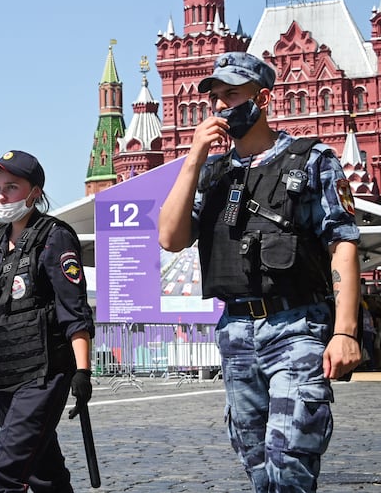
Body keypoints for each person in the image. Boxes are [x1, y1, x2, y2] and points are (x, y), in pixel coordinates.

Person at [157, 51, 361, 492]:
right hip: (236, 331)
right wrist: (193, 157)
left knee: (289, 456)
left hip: (296, 324)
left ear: (262, 97)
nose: (220, 105)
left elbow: (342, 243)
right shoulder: (211, 174)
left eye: (232, 94)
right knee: (257, 463)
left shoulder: (311, 161)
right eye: (214, 97)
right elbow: (170, 238)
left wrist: (345, 332)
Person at [0, 150, 95, 493]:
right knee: (43, 473)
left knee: (6, 474)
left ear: (35, 192)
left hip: (43, 374)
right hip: (4, 374)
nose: (1, 195)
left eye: (11, 187)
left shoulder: (55, 236)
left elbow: (73, 308)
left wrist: (83, 373)